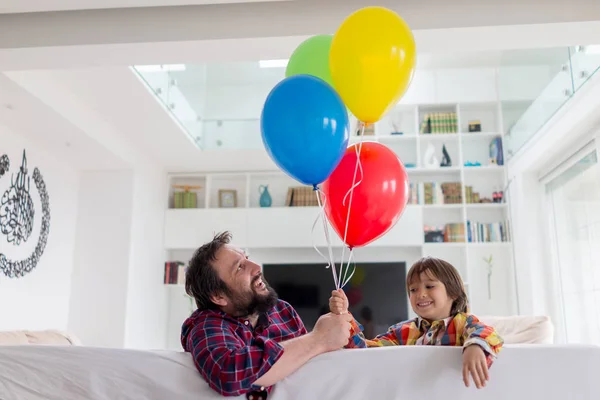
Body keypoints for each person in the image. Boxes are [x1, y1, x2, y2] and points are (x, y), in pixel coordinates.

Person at [182, 231, 353, 398]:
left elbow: (314, 366)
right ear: (218, 296)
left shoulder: (282, 311)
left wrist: (339, 323)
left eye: (247, 258)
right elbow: (229, 372)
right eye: (240, 267)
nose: (257, 267)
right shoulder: (205, 326)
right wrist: (319, 338)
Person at [330, 256, 503, 390]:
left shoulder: (463, 323)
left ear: (453, 293)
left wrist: (474, 346)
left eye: (429, 286)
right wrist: (344, 315)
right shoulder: (403, 331)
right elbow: (366, 350)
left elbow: (489, 334)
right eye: (413, 290)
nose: (420, 294)